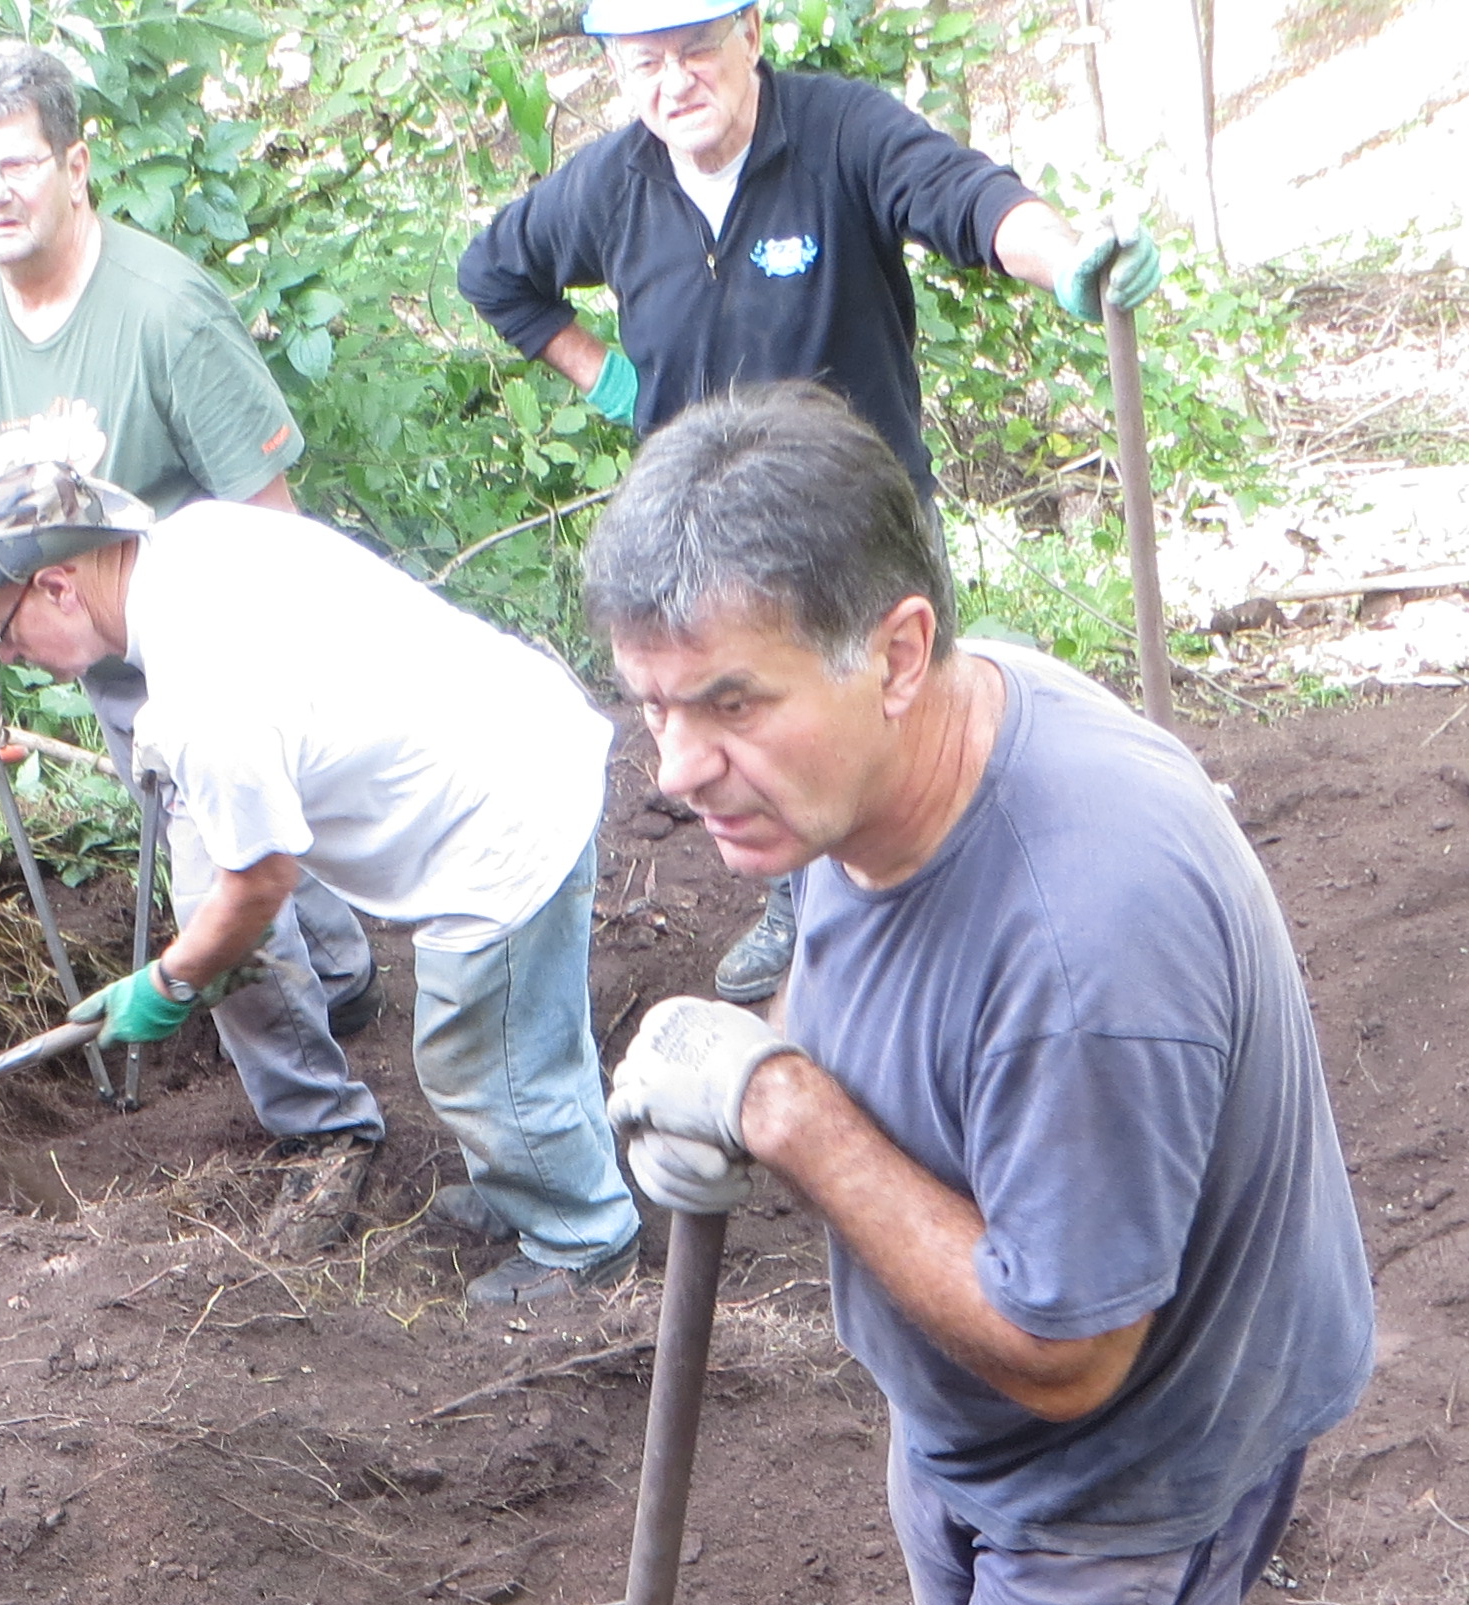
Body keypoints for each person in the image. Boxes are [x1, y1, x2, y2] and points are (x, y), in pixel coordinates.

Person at [586, 384, 1370, 1605]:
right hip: (1020, 1418)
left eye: (730, 704)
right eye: (654, 709)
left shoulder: (1085, 935)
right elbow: (853, 941)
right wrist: (783, 1028)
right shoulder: (891, 763)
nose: (680, 768)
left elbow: (1066, 1349)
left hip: (1132, 1449)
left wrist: (783, 1110)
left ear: (898, 648)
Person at [459, 0, 1162, 1007]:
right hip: (712, 550)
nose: (674, 83)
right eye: (644, 63)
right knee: (757, 733)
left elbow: (967, 198)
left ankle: (965, 907)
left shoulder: (838, 134)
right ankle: (805, 909)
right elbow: (494, 273)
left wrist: (1066, 262)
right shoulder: (613, 185)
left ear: (750, 34)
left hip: (863, 529)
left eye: (696, 49)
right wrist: (606, 379)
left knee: (903, 723)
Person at [0, 462, 639, 1309]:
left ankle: (581, 1236)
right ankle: (534, 1183)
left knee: (482, 1055)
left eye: (3, 634)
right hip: (515, 734)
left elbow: (260, 886)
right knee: (526, 1030)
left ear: (59, 587)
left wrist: (170, 982)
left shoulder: (203, 700)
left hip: (498, 817)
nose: (11, 656)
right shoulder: (197, 538)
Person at [0, 40, 384, 1231]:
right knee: (259, 866)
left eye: (19, 163)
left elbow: (271, 527)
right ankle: (339, 976)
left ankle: (322, 1128)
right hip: (93, 654)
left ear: (76, 166)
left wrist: (237, 715)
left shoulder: (165, 312)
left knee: (218, 878)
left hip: (209, 649)